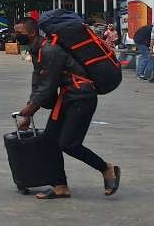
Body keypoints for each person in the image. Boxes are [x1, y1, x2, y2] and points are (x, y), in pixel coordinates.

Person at [14, 17, 120, 200]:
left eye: (19, 33)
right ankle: (60, 186)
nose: (16, 36)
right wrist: (30, 112)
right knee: (48, 140)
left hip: (81, 97)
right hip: (68, 97)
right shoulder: (37, 50)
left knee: (69, 144)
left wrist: (31, 107)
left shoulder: (50, 50)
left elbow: (48, 85)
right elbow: (38, 81)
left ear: (32, 32)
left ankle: (106, 168)